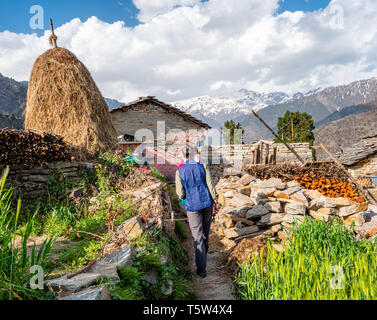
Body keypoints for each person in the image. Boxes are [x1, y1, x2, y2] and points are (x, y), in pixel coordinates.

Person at [175, 145, 219, 278]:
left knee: (197, 236)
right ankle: (203, 257)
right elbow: (211, 185)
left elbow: (180, 193)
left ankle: (201, 269)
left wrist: (185, 196)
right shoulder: (203, 166)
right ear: (194, 154)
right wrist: (216, 200)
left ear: (183, 156)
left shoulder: (179, 171)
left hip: (193, 207)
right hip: (207, 204)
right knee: (205, 231)